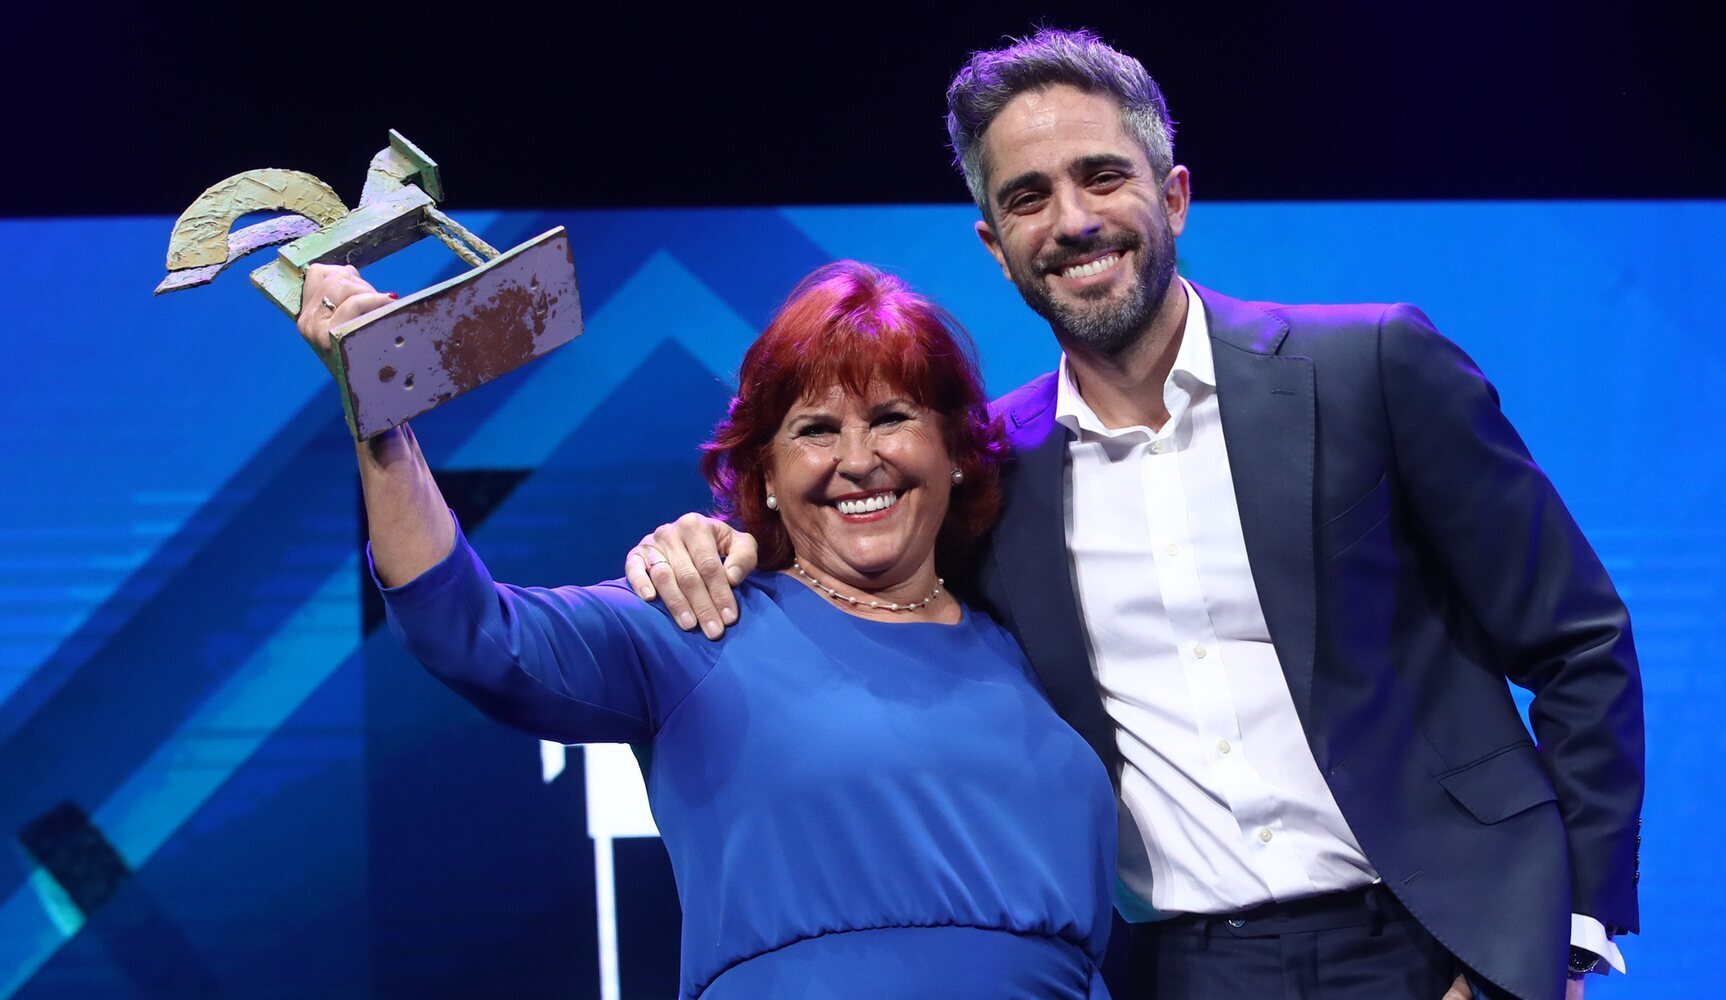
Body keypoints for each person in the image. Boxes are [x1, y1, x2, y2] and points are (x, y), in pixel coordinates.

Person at [628, 28, 1643, 1000]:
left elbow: (1576, 641)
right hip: (1175, 970)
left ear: (1174, 196)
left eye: (1100, 177)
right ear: (992, 244)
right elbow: (857, 542)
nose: (1070, 220)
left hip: (1432, 943)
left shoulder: (1370, 367)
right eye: (1027, 196)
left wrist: (1558, 941)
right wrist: (721, 543)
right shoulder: (991, 466)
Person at [305, 259, 1115, 999]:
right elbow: (467, 629)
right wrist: (382, 424)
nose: (859, 459)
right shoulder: (701, 621)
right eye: (816, 430)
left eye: (892, 417)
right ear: (762, 472)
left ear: (957, 451)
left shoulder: (1035, 636)